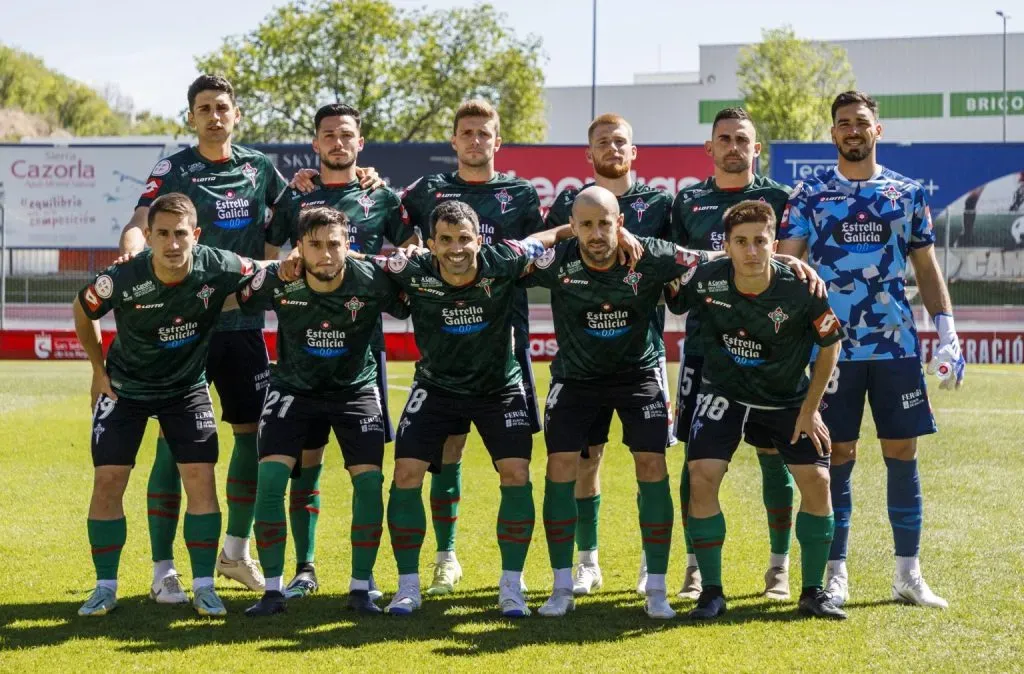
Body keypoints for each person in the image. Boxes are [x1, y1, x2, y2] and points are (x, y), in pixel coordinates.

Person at [778, 90, 965, 609]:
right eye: (843, 123)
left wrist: (946, 329)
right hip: (831, 351)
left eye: (862, 122)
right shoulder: (809, 193)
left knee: (901, 452)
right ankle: (836, 574)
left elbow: (925, 268)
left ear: (876, 131)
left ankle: (908, 574)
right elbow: (786, 265)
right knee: (836, 454)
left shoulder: (906, 193)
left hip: (895, 347)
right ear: (833, 133)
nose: (853, 130)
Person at [376, 200, 587, 617]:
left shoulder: (502, 259)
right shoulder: (410, 270)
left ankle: (511, 586)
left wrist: (584, 230)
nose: (457, 249)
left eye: (465, 239)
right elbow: (357, 259)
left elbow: (542, 238)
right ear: (431, 245)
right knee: (405, 473)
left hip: (498, 388)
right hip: (436, 387)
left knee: (516, 473)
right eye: (446, 240)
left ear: (479, 240)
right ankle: (407, 587)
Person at [75, 193, 273, 616]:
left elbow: (262, 276)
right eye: (161, 233)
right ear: (147, 236)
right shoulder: (124, 276)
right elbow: (83, 306)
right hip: (125, 390)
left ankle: (204, 586)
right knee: (108, 481)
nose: (172, 243)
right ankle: (105, 586)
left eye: (180, 233)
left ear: (195, 235)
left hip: (185, 390)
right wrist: (97, 369)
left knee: (201, 480)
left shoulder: (218, 264)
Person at [264, 103, 418, 600]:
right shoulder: (297, 196)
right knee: (304, 464)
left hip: (361, 354)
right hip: (302, 352)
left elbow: (411, 248)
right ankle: (304, 569)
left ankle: (363, 576)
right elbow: (270, 259)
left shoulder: (381, 195)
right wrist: (288, 259)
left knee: (365, 469)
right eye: (328, 134)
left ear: (360, 142)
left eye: (345, 134)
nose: (337, 142)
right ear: (315, 142)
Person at [666, 199, 847, 621]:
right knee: (701, 475)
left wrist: (810, 408)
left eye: (760, 242)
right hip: (724, 392)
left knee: (818, 481)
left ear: (773, 244)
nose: (751, 251)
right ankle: (711, 591)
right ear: (726, 245)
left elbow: (830, 344)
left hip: (785, 398)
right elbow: (670, 291)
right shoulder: (708, 278)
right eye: (740, 242)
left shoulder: (801, 287)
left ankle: (812, 592)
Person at [397, 99, 547, 596]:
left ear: (497, 141)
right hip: (444, 339)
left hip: (505, 336)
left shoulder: (521, 193)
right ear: (454, 140)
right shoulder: (425, 192)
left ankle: (514, 575)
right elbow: (386, 217)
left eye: (485, 133)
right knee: (447, 448)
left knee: (515, 462)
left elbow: (535, 252)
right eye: (467, 132)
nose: (476, 140)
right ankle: (446, 556)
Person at [239, 207, 409, 617]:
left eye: (334, 244)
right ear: (299, 247)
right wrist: (271, 270)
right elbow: (245, 298)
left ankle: (360, 588)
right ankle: (274, 591)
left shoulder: (369, 278)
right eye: (315, 245)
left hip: (354, 391)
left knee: (369, 485)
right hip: (293, 389)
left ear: (348, 245)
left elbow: (404, 308)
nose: (326, 254)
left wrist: (388, 262)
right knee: (271, 479)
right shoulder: (284, 280)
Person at [543, 113, 674, 596]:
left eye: (621, 142)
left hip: (642, 355)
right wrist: (591, 232)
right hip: (582, 358)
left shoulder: (659, 203)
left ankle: (649, 564)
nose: (613, 148)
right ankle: (588, 562)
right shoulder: (567, 202)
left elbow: (680, 256)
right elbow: (548, 249)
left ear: (633, 152)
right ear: (589, 152)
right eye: (603, 142)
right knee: (585, 460)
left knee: (650, 461)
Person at [670, 107, 796, 601]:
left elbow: (793, 264)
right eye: (724, 138)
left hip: (771, 351)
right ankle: (695, 564)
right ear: (710, 147)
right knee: (696, 459)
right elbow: (676, 272)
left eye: (742, 139)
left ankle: (779, 567)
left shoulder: (779, 199)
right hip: (705, 349)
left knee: (774, 457)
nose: (733, 146)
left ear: (755, 148)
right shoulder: (689, 202)